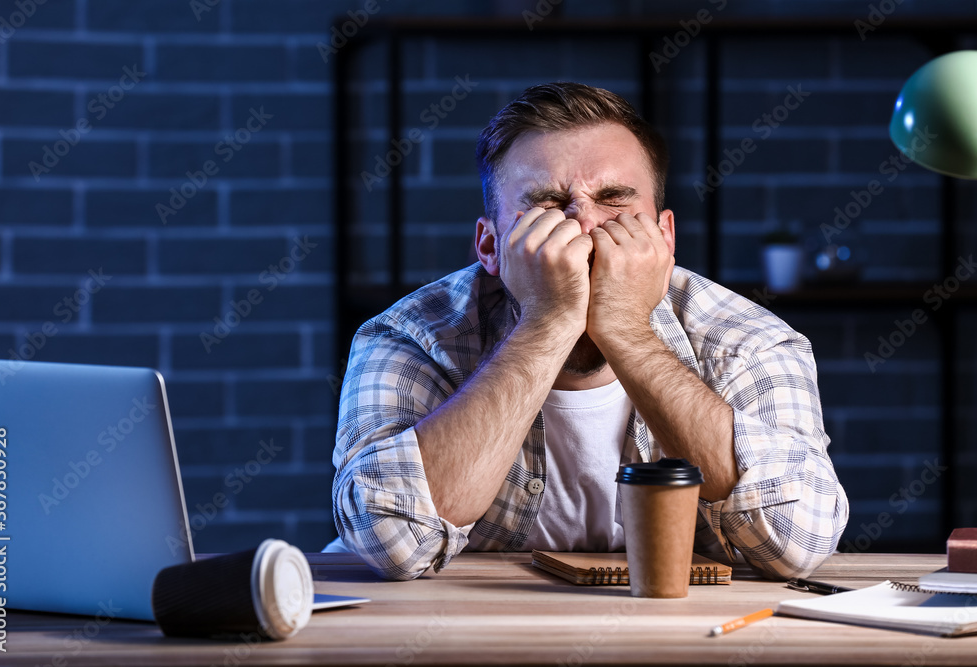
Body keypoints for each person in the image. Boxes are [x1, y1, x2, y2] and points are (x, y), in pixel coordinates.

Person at [329, 82, 848, 581]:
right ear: (490, 247)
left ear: (664, 238)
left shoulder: (745, 339)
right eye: (548, 205)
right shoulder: (409, 337)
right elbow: (388, 541)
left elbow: (795, 542)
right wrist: (546, 322)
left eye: (616, 200)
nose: (583, 226)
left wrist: (626, 329)